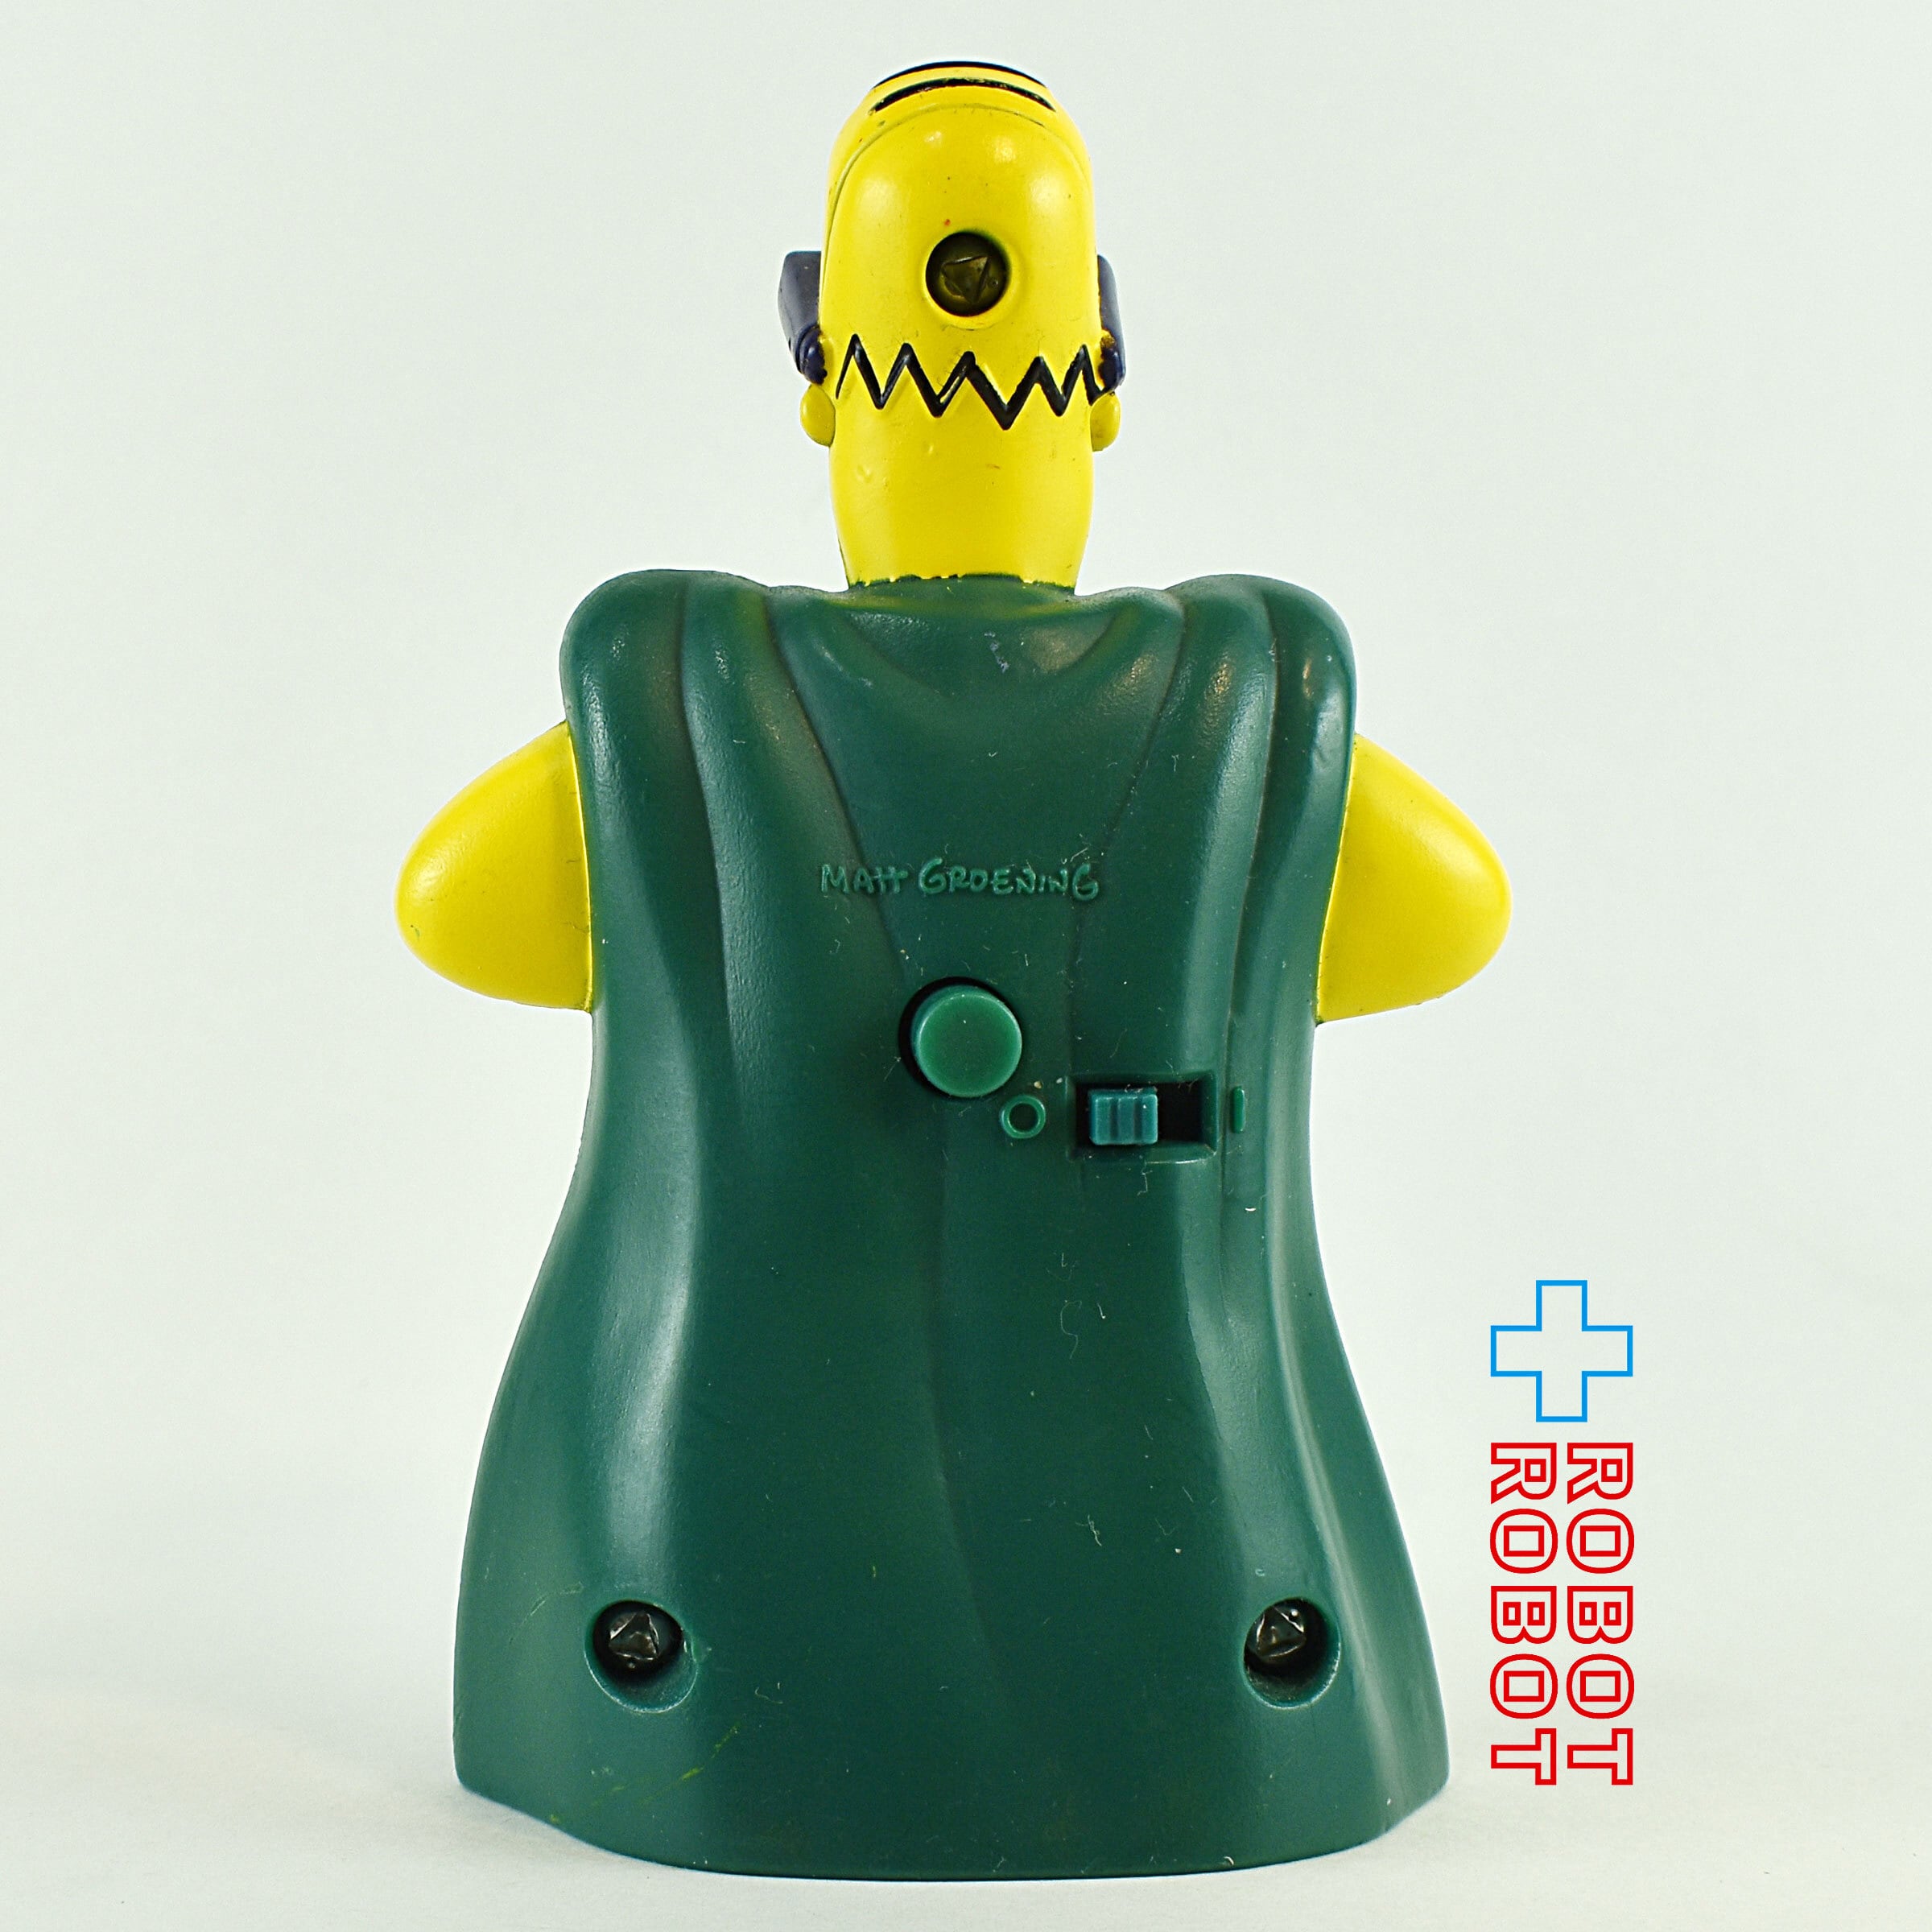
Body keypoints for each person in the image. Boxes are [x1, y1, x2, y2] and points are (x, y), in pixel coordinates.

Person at [398, 61, 1509, 1877]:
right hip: (1217, 1639)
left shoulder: (667, 699)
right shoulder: (1254, 708)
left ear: (822, 379)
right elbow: (1458, 910)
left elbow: (446, 904)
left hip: (687, 1596)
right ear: (1107, 377)